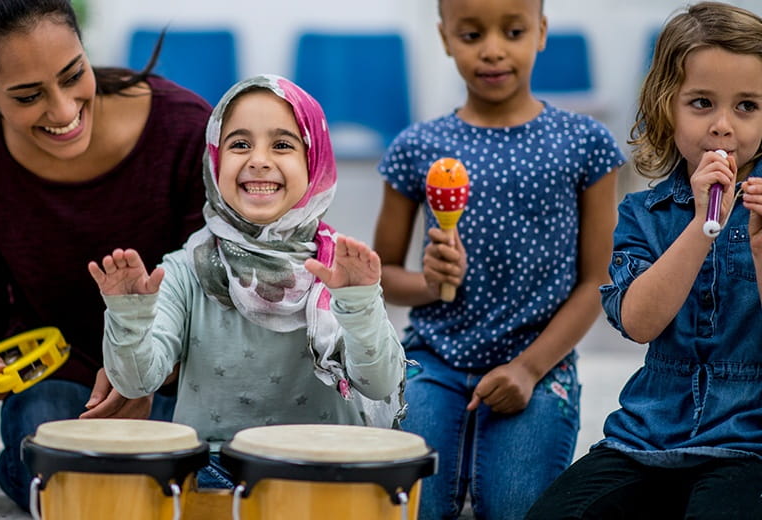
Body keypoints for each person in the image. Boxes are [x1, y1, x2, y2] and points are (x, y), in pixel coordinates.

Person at [88, 74, 407, 487]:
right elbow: (137, 381)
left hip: (326, 466)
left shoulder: (343, 271)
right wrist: (129, 317)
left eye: (282, 144)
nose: (258, 159)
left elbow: (378, 381)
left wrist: (360, 303)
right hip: (212, 466)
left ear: (315, 163)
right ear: (215, 160)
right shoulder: (183, 269)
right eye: (239, 144)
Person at [372, 0, 626, 518]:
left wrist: (530, 369)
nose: (492, 50)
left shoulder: (586, 144)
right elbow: (382, 276)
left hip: (538, 359)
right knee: (413, 507)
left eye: (512, 31)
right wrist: (429, 281)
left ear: (541, 32)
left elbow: (597, 279)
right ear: (445, 38)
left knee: (516, 509)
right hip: (434, 357)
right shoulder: (417, 145)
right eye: (470, 35)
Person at [525, 3, 762, 519]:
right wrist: (702, 227)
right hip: (647, 437)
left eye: (747, 106)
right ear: (665, 108)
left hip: (751, 442)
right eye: (702, 103)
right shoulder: (640, 214)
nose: (724, 127)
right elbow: (637, 322)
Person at [0, 0, 211, 510]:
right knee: (50, 446)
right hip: (59, 373)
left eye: (74, 75)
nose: (65, 110)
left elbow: (221, 294)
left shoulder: (185, 129)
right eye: (28, 96)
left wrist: (152, 369)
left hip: (180, 368)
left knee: (182, 460)